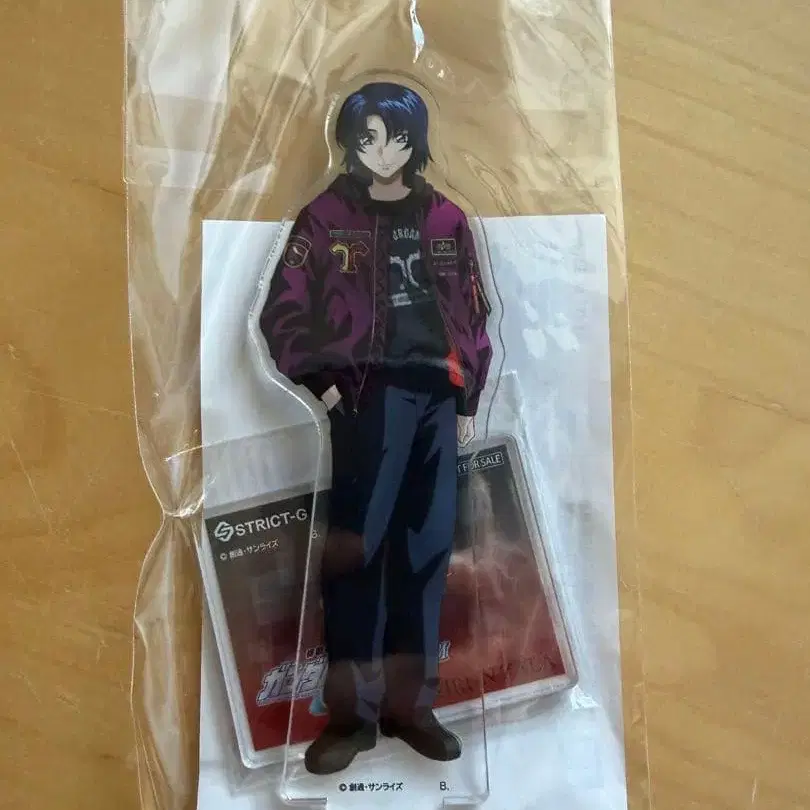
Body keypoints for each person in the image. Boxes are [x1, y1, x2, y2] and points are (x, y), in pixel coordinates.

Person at [260, 81, 492, 775]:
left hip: (437, 401)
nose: (381, 152)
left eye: (394, 139)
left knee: (425, 554)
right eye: (366, 140)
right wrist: (326, 387)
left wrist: (469, 396)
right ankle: (350, 719)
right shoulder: (326, 217)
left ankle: (411, 709)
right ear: (349, 144)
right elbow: (283, 312)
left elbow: (473, 312)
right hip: (368, 398)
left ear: (415, 143)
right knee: (356, 556)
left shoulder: (447, 219)